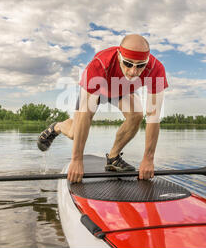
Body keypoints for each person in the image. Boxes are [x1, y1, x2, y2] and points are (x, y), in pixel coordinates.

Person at [37, 34, 168, 183]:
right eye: (128, 63)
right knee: (74, 133)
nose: (133, 71)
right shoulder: (99, 65)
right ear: (119, 56)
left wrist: (148, 159)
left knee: (137, 115)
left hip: (121, 91)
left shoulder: (156, 69)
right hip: (97, 89)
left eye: (140, 66)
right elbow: (84, 114)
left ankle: (113, 157)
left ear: (148, 61)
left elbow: (153, 115)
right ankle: (57, 127)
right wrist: (77, 160)